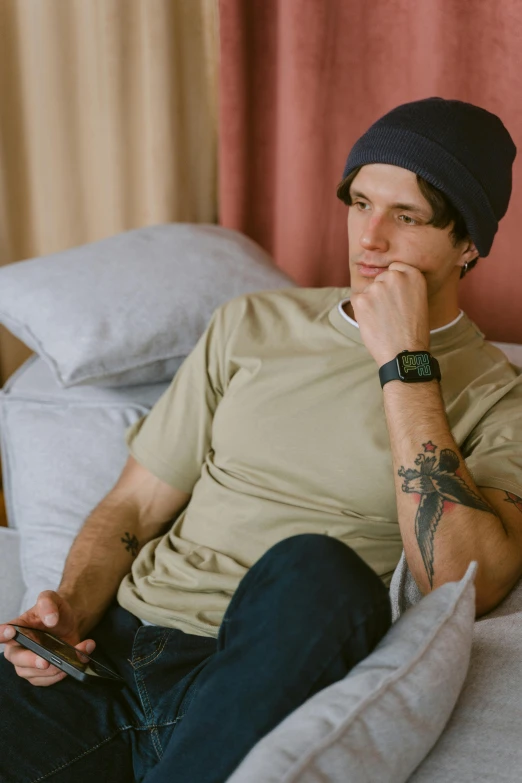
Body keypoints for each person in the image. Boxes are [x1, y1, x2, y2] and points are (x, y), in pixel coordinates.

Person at [1, 97, 521, 783]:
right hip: (118, 656)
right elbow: (131, 507)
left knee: (318, 566)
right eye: (360, 203)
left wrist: (406, 362)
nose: (369, 239)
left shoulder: (496, 393)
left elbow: (460, 583)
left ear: (469, 242)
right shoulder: (251, 326)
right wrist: (68, 608)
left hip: (258, 673)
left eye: (407, 216)